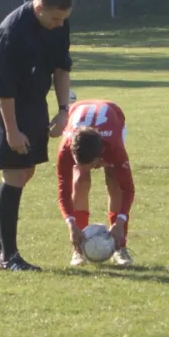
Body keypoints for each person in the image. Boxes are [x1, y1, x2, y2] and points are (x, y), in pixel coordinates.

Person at [0, 0, 73, 272]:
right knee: (15, 174)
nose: (59, 24)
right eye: (55, 18)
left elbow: (61, 67)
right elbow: (3, 89)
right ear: (39, 7)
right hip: (8, 107)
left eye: (64, 19)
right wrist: (12, 131)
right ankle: (8, 256)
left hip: (34, 104)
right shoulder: (12, 31)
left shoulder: (59, 24)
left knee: (25, 171)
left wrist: (64, 110)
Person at [56, 100, 135, 266]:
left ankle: (120, 247)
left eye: (92, 165)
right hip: (77, 113)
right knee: (79, 180)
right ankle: (78, 249)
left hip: (112, 114)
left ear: (100, 157)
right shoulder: (65, 149)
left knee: (114, 181)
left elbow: (128, 188)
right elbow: (63, 190)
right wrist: (71, 223)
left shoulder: (114, 146)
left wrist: (120, 221)